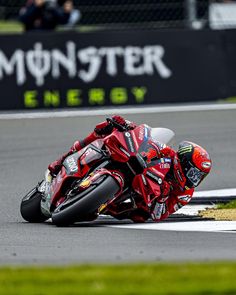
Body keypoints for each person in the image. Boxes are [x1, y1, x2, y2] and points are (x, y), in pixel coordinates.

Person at [48, 115, 212, 223]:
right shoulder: (168, 153)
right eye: (193, 173)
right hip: (133, 164)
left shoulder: (184, 193)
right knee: (105, 129)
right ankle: (63, 159)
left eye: (199, 177)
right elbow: (150, 141)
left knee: (139, 216)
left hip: (139, 200)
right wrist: (127, 126)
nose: (194, 180)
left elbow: (159, 214)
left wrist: (162, 197)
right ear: (183, 161)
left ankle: (97, 203)